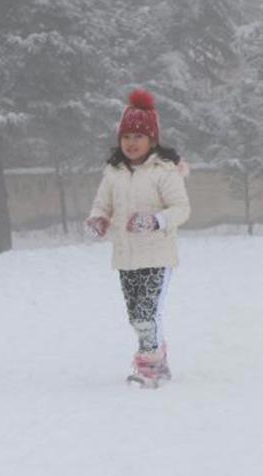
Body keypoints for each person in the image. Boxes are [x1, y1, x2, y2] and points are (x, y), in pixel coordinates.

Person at [85, 89, 191, 388]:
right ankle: (159, 358)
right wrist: (99, 219)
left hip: (158, 256)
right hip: (126, 256)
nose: (131, 143)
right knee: (136, 316)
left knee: (147, 313)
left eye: (138, 136)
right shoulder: (114, 172)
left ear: (152, 140)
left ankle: (150, 367)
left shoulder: (164, 171)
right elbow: (102, 204)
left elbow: (181, 209)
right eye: (126, 136)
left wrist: (155, 220)